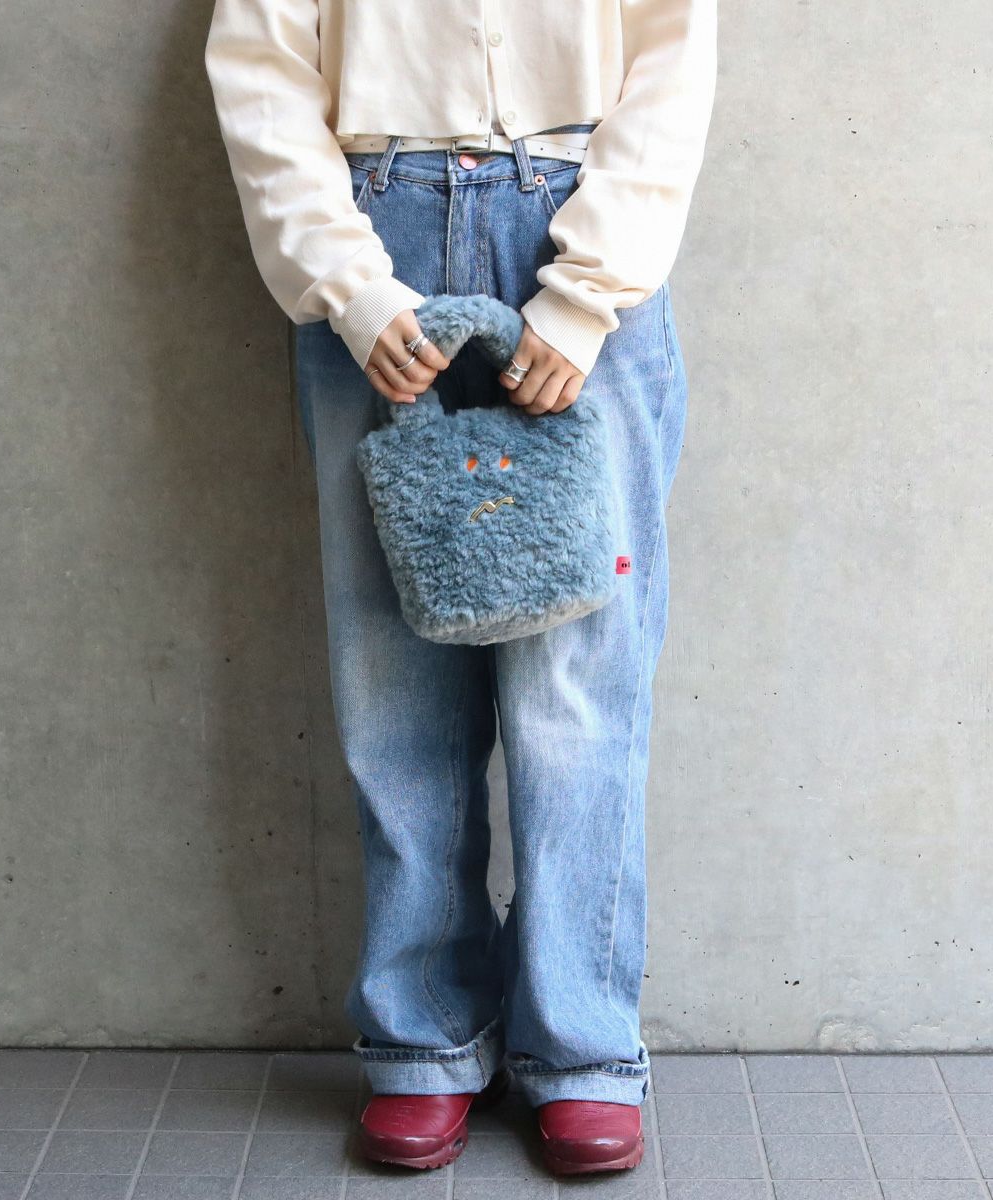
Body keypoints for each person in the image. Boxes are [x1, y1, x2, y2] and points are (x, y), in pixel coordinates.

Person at [203, 0, 718, 1176]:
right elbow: (264, 72)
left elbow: (671, 63)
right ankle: (423, 1038)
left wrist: (585, 294)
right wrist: (352, 289)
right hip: (373, 236)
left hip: (577, 226)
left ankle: (582, 1051)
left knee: (578, 688)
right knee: (391, 679)